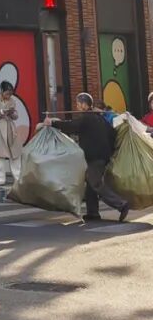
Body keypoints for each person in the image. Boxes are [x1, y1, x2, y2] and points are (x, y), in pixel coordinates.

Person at [47, 93, 129, 223]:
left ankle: (121, 204)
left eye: (79, 103)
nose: (77, 106)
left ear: (85, 104)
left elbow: (71, 126)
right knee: (90, 183)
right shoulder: (100, 118)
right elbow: (112, 134)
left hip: (95, 156)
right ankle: (92, 212)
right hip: (101, 155)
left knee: (95, 182)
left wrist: (53, 123)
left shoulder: (86, 118)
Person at [0, 80, 23, 188]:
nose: (9, 96)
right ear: (2, 91)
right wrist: (1, 112)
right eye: (7, 93)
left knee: (15, 153)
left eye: (10, 93)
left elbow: (16, 116)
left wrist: (12, 113)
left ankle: (18, 177)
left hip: (10, 127)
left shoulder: (12, 100)